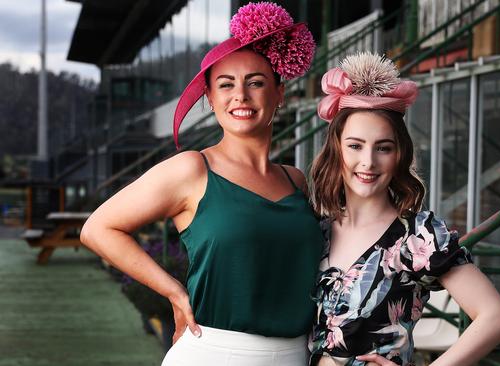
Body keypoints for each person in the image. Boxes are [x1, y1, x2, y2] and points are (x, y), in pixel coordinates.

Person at [80, 3, 323, 365]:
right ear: (210, 99)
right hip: (214, 351)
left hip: (295, 354)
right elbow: (98, 228)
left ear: (280, 93)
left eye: (256, 82)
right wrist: (174, 291)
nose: (240, 95)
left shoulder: (296, 180)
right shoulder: (192, 169)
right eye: (226, 85)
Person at [308, 52, 500, 366]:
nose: (368, 161)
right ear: (336, 150)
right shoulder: (316, 231)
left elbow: (496, 318)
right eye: (355, 145)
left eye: (383, 147)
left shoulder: (417, 236)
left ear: (399, 155)